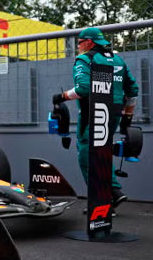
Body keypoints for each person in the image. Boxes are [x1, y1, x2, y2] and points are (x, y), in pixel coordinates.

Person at [53, 27, 139, 211]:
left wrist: (61, 96)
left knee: (86, 154)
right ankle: (114, 193)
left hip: (93, 112)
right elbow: (133, 91)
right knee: (102, 150)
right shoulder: (117, 60)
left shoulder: (85, 59)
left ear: (89, 42)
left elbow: (83, 89)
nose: (78, 46)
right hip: (114, 113)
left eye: (79, 43)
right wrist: (128, 116)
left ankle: (104, 198)